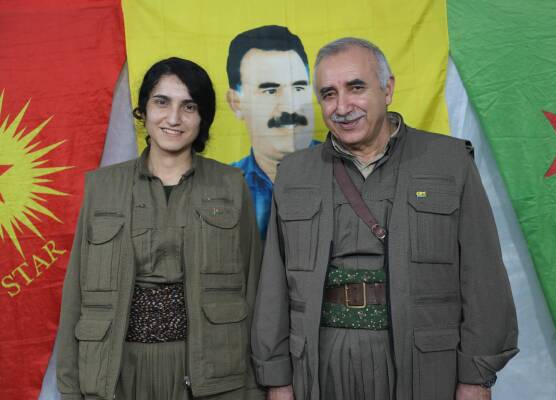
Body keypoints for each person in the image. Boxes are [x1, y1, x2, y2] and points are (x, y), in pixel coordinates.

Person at [251, 38, 518, 400]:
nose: (342, 107)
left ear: (387, 89)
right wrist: (277, 378)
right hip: (319, 362)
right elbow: (273, 283)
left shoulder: (449, 162)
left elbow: (482, 275)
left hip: (423, 363)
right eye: (328, 94)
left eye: (356, 87)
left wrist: (476, 377)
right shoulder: (295, 173)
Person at [55, 57, 264, 400]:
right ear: (143, 111)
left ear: (203, 117)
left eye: (189, 106)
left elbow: (253, 289)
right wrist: (70, 387)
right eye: (162, 102)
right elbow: (76, 292)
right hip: (118, 370)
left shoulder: (230, 185)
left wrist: (255, 388)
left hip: (210, 371)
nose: (174, 118)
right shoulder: (102, 187)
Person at [226, 25, 317, 239]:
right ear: (236, 103)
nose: (290, 106)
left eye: (299, 88)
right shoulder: (222, 188)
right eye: (270, 90)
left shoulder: (344, 174)